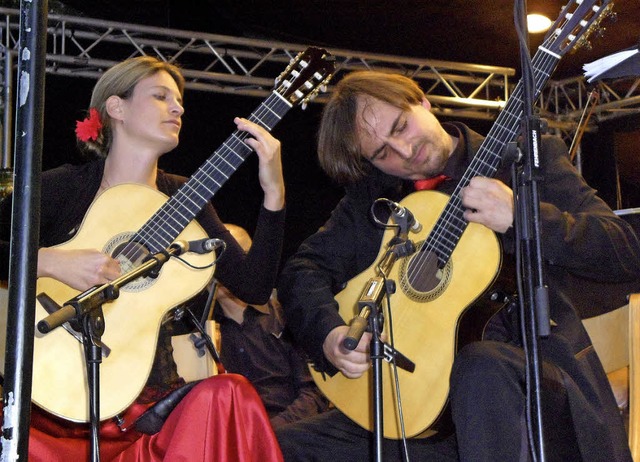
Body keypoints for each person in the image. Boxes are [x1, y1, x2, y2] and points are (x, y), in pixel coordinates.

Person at [276, 70, 640, 461]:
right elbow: (302, 271)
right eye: (381, 153)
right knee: (286, 447)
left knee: (479, 364)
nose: (402, 149)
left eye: (401, 125)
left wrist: (524, 216)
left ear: (423, 101)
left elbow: (625, 251)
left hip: (526, 390)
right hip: (425, 410)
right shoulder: (376, 198)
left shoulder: (520, 161)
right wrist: (330, 335)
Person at [0, 56, 286, 461]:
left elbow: (254, 287)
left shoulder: (185, 198)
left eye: (179, 99)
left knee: (230, 393)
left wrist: (274, 194)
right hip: (49, 401)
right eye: (160, 96)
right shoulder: (63, 187)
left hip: (147, 405)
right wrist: (47, 262)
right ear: (116, 108)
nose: (178, 107)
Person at [211, 223, 330, 429]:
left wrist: (269, 434)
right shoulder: (197, 333)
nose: (227, 268)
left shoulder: (286, 315)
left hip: (289, 431)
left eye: (237, 257)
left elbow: (314, 392)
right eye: (218, 259)